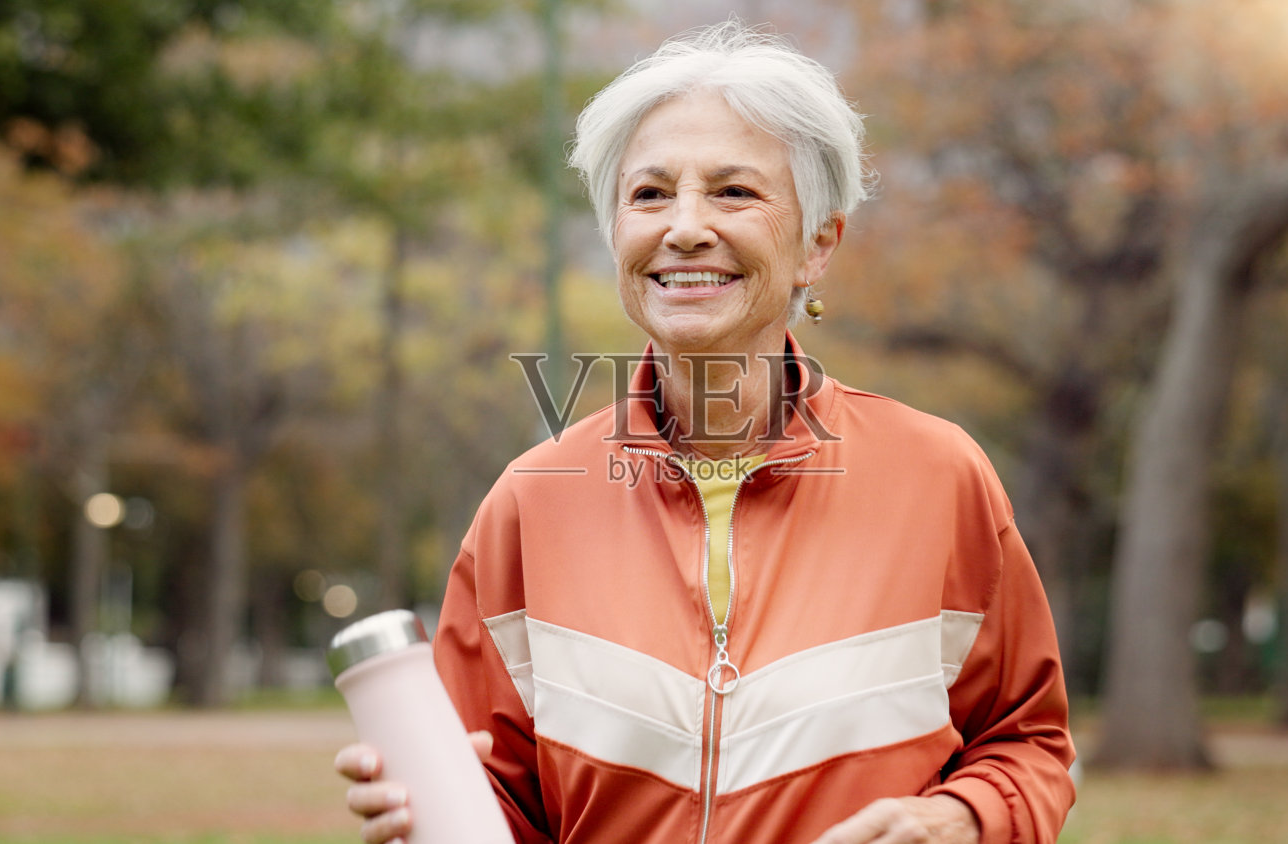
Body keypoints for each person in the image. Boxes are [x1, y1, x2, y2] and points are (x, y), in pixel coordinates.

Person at [335, 21, 1075, 844]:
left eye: (734, 191)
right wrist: (428, 811)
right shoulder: (528, 503)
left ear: (818, 244)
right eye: (649, 194)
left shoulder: (941, 479)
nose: (685, 227)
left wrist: (959, 820)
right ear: (617, 237)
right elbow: (498, 801)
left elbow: (1030, 745)